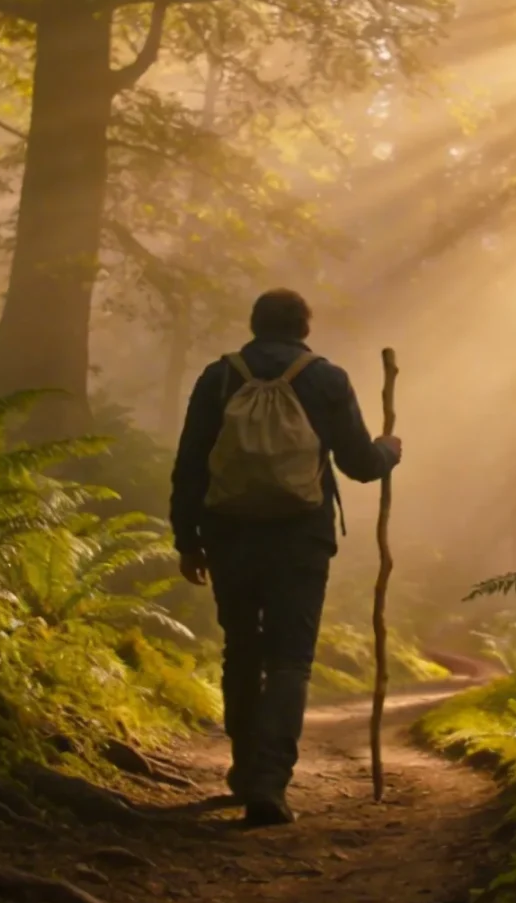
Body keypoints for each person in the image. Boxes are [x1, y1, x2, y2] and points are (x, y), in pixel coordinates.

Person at [169, 289, 401, 827]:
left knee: (242, 651)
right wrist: (390, 448)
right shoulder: (326, 378)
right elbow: (361, 465)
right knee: (290, 659)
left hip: (228, 534)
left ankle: (245, 769)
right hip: (300, 540)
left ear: (254, 325)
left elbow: (190, 464)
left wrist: (187, 540)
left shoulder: (218, 377)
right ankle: (270, 785)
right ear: (305, 327)